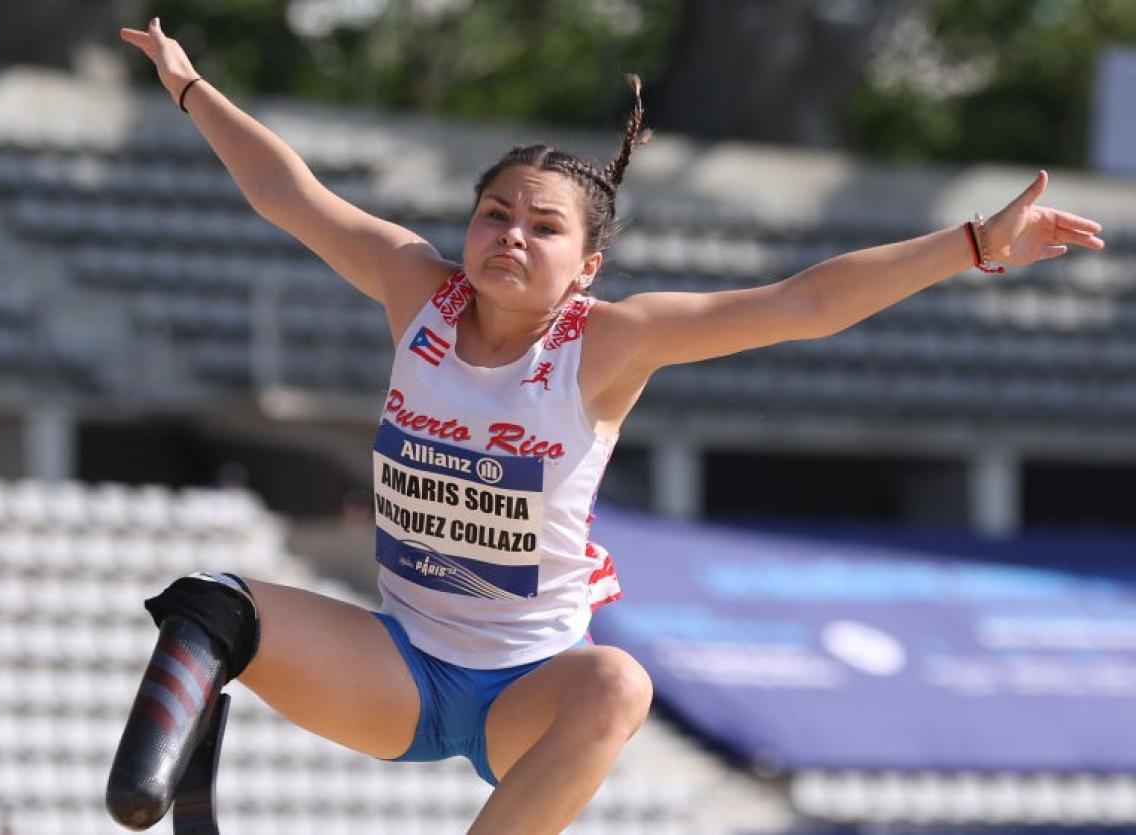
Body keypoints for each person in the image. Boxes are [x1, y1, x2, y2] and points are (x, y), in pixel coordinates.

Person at [106, 17, 1106, 835]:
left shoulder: (609, 345)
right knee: (209, 606)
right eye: (495, 213)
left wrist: (972, 242)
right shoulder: (418, 292)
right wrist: (192, 87)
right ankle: (175, 809)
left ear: (585, 267)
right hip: (398, 666)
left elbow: (804, 302)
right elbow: (293, 195)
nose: (510, 235)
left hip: (528, 696)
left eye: (543, 227)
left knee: (619, 682)